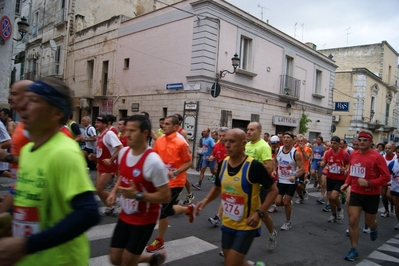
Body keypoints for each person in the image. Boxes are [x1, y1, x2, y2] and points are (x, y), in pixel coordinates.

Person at [0, 77, 100, 266]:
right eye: (25, 99)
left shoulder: (64, 152)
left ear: (55, 112)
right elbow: (28, 197)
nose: (23, 106)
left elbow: (88, 212)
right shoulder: (30, 151)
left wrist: (25, 246)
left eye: (34, 101)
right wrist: (9, 216)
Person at [195, 128, 278, 266]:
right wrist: (205, 201)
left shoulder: (254, 166)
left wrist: (259, 213)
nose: (227, 145)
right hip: (228, 222)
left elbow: (273, 190)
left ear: (243, 144)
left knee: (231, 263)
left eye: (232, 141)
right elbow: (217, 187)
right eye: (225, 141)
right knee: (231, 261)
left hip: (247, 225)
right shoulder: (223, 164)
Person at [107, 115, 170, 266]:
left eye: (132, 131)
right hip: (126, 214)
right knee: (115, 258)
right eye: (126, 130)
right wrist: (114, 191)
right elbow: (122, 174)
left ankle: (147, 258)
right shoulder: (123, 153)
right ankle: (151, 259)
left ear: (145, 133)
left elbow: (166, 196)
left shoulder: (153, 162)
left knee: (127, 262)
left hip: (144, 219)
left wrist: (138, 195)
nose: (126, 134)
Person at [145, 115, 195, 252]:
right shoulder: (160, 140)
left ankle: (160, 240)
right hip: (161, 181)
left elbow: (189, 162)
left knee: (162, 211)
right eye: (163, 124)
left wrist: (175, 172)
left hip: (176, 182)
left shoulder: (181, 142)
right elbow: (152, 157)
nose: (163, 126)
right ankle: (188, 209)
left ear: (175, 127)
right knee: (165, 209)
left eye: (167, 124)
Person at [340, 130, 390, 261]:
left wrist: (369, 183)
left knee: (369, 222)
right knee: (353, 220)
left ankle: (374, 226)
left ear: (370, 142)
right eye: (360, 140)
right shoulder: (354, 154)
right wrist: (347, 183)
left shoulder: (377, 156)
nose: (361, 142)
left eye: (365, 140)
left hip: (372, 194)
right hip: (356, 192)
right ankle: (354, 249)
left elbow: (386, 177)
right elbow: (352, 170)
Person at [245, 122, 276, 251]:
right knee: (243, 213)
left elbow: (269, 167)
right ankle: (235, 246)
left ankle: (272, 233)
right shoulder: (246, 145)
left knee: (263, 215)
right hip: (247, 185)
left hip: (261, 187)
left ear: (259, 131)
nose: (248, 132)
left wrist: (252, 166)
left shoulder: (263, 146)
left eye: (252, 130)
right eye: (247, 129)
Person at [88, 115, 123, 216]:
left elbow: (121, 147)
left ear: (105, 124)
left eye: (98, 123)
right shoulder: (100, 135)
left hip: (109, 167)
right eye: (95, 122)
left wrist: (111, 159)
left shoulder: (109, 134)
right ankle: (110, 206)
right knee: (98, 190)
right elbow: (101, 153)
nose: (95, 124)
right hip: (101, 166)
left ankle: (117, 201)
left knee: (99, 189)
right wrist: (94, 157)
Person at [273, 131, 304, 230]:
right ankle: (288, 205)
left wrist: (295, 177)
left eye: (288, 137)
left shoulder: (296, 153)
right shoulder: (279, 149)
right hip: (281, 180)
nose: (285, 139)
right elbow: (275, 161)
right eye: (284, 137)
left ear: (292, 140)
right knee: (277, 202)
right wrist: (274, 170)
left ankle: (288, 221)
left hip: (291, 181)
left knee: (285, 202)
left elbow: (302, 169)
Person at [319, 136, 350, 223]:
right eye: (331, 143)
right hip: (330, 177)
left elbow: (350, 163)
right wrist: (322, 163)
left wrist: (346, 168)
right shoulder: (328, 152)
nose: (332, 145)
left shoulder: (344, 153)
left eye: (335, 143)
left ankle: (339, 209)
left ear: (339, 144)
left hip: (340, 178)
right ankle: (333, 214)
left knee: (334, 196)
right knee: (330, 198)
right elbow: (325, 162)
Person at [207, 127, 229, 226]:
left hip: (231, 173)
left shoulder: (232, 145)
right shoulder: (216, 146)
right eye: (220, 136)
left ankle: (218, 217)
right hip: (220, 173)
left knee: (225, 196)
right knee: (224, 196)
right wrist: (211, 158)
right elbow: (213, 156)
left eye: (223, 136)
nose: (221, 138)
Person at [294, 134, 312, 204]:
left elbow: (307, 158)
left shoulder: (308, 149)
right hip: (297, 169)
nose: (300, 142)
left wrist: (302, 150)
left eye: (301, 141)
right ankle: (301, 197)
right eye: (298, 141)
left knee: (299, 185)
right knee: (295, 185)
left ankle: (304, 192)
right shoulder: (295, 149)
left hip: (304, 169)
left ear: (304, 142)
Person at [381, 142, 396, 217]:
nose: (387, 150)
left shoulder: (396, 157)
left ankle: (393, 204)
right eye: (386, 148)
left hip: (392, 179)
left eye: (389, 148)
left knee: (389, 195)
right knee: (383, 195)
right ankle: (386, 210)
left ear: (393, 149)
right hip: (383, 178)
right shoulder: (383, 157)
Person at [387, 150, 399, 230]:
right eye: (398, 152)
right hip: (396, 188)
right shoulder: (393, 163)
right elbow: (388, 175)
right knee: (397, 207)